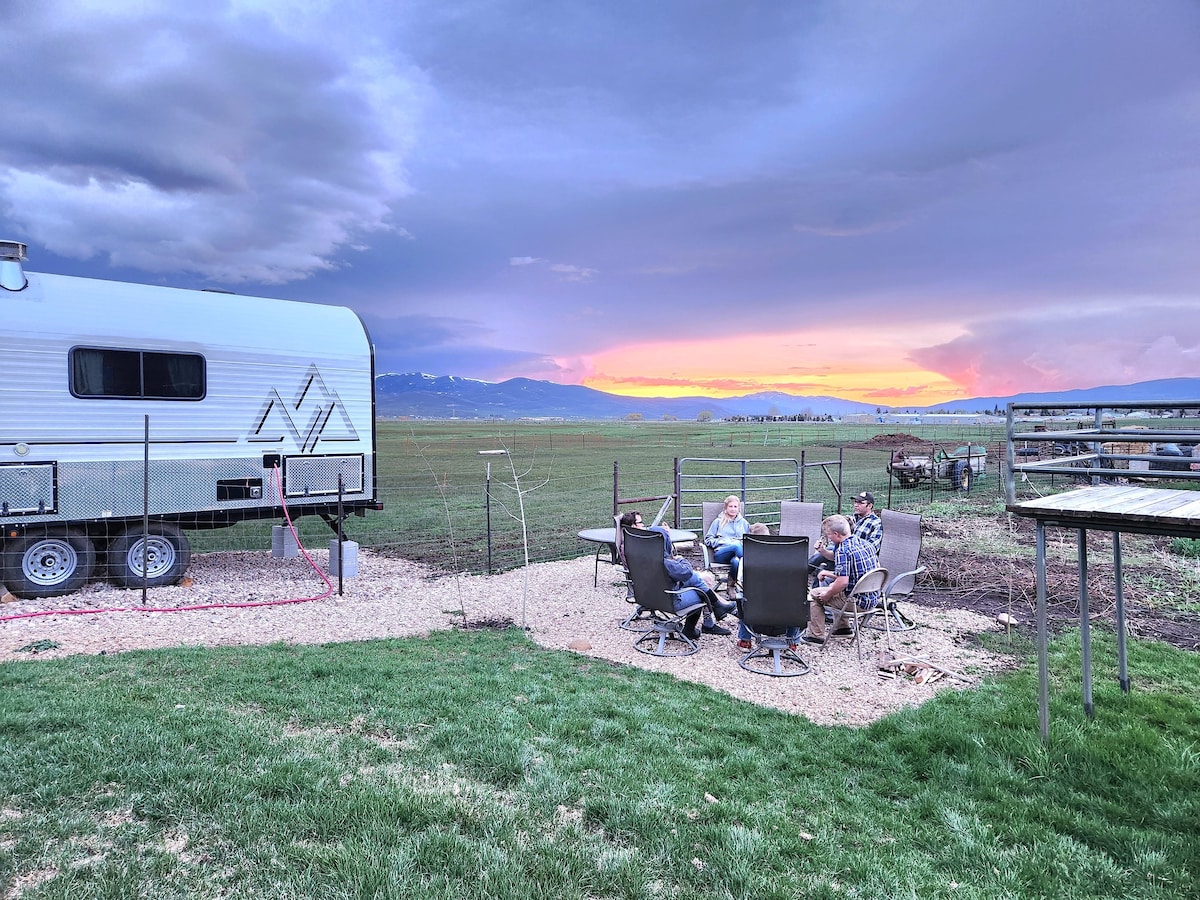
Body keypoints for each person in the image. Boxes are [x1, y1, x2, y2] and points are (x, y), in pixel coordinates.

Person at [620, 511, 737, 638]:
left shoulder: (631, 550)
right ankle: (696, 626)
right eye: (641, 523)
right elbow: (685, 572)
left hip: (647, 594)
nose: (644, 526)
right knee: (700, 590)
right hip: (668, 599)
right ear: (633, 526)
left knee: (698, 579)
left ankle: (717, 610)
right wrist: (680, 559)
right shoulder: (660, 560)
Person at [803, 514, 881, 644]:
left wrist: (827, 594)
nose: (828, 537)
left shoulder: (843, 550)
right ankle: (842, 629)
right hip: (873, 598)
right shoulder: (864, 544)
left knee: (815, 594)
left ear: (836, 534)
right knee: (836, 587)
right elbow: (862, 573)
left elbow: (843, 581)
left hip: (857, 603)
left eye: (828, 534)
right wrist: (825, 561)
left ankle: (815, 636)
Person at [732, 523, 804, 650]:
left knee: (743, 597)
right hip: (786, 612)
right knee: (797, 596)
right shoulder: (789, 558)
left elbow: (740, 583)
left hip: (757, 612)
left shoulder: (746, 559)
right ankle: (792, 641)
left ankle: (745, 640)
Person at [808, 490, 882, 585]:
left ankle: (799, 574)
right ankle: (813, 591)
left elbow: (872, 548)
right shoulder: (850, 518)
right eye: (855, 502)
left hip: (853, 559)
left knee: (822, 562)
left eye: (860, 503)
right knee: (822, 564)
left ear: (870, 506)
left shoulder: (875, 523)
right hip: (838, 552)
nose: (856, 505)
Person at [705, 495, 750, 596]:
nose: (733, 509)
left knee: (736, 561)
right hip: (721, 553)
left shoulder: (744, 523)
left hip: (737, 555)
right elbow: (708, 540)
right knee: (736, 546)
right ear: (726, 508)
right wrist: (724, 541)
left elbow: (747, 541)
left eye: (735, 506)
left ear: (739, 508)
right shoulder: (718, 522)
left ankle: (731, 586)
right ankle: (745, 578)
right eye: (730, 506)